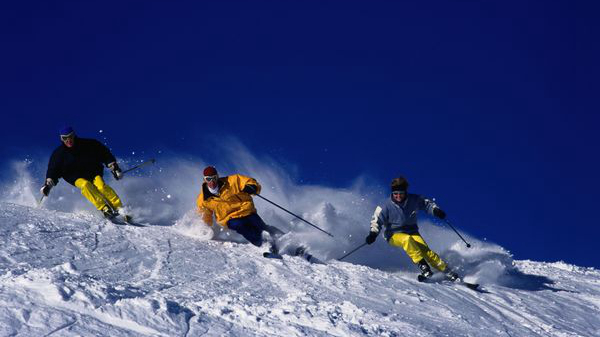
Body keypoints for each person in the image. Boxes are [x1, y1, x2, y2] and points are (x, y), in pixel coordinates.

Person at [365, 176, 459, 281]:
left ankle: (448, 272)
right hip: (393, 234)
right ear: (392, 193)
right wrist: (373, 234)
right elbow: (376, 220)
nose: (398, 196)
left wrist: (436, 210)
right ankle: (424, 267)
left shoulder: (414, 200)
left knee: (426, 251)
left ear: (405, 192)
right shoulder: (385, 206)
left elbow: (427, 204)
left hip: (412, 231)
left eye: (401, 193)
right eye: (395, 194)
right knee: (406, 240)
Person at [196, 166, 284, 255]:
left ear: (217, 176)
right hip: (229, 218)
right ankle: (264, 244)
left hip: (246, 211)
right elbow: (205, 215)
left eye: (214, 178)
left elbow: (249, 182)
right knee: (242, 226)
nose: (212, 182)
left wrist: (252, 187)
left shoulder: (232, 181)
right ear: (204, 180)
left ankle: (284, 239)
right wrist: (206, 228)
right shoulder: (203, 199)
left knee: (260, 226)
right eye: (208, 179)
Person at [41, 126, 125, 218]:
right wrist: (48, 184)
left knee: (101, 186)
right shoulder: (59, 154)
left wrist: (114, 167)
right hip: (74, 176)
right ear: (61, 139)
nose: (68, 140)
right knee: (85, 185)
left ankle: (119, 207)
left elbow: (104, 153)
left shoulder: (88, 144)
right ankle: (104, 208)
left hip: (92, 171)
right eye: (65, 138)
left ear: (74, 135)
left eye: (70, 136)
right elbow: (53, 169)